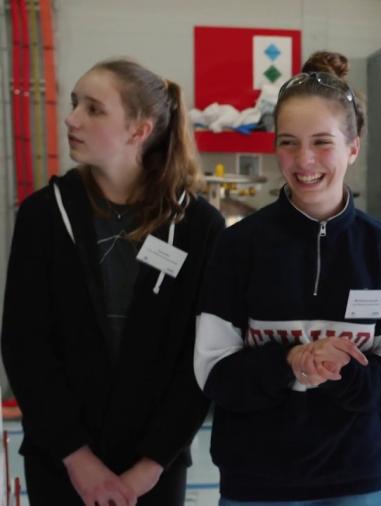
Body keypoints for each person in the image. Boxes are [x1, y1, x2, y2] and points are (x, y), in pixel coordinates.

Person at [193, 51, 381, 505]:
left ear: (353, 147)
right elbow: (213, 371)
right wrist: (289, 361)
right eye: (288, 143)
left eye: (322, 142)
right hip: (256, 481)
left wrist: (344, 370)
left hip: (354, 478)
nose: (304, 160)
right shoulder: (238, 246)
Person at [1, 59, 223, 505]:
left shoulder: (197, 226)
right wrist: (77, 458)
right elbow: (25, 345)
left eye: (93, 109)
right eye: (74, 104)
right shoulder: (44, 215)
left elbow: (201, 355)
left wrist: (150, 465)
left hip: (154, 469)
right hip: (61, 461)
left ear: (139, 130)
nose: (71, 119)